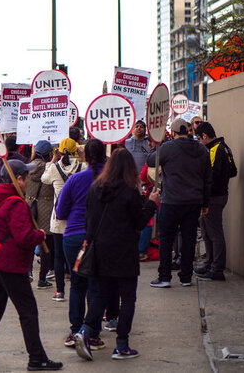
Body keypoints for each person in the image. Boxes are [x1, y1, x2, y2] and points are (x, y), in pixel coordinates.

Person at [0, 160, 63, 371]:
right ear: (18, 179)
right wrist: (39, 235)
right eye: (25, 176)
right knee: (28, 311)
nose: (27, 180)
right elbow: (24, 237)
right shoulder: (15, 203)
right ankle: (36, 358)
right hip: (11, 265)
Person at [72, 149, 159, 361]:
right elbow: (139, 222)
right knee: (128, 297)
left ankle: (84, 331)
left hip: (101, 250)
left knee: (101, 295)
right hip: (124, 251)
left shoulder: (94, 189)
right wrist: (151, 203)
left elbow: (89, 222)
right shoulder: (130, 192)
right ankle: (121, 345)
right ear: (129, 168)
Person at [147, 118, 212, 288]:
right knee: (189, 239)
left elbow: (150, 161)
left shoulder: (168, 148)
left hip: (171, 201)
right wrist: (205, 203)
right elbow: (207, 179)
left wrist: (158, 143)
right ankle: (186, 277)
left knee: (166, 239)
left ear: (174, 133)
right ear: (189, 131)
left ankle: (165, 277)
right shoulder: (201, 149)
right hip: (194, 201)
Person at [55, 138, 107, 349]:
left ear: (84, 156)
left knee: (77, 284)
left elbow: (60, 212)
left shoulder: (75, 180)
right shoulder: (112, 178)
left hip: (75, 238)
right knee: (96, 285)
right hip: (102, 238)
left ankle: (76, 330)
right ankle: (92, 333)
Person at [42, 137, 85, 301]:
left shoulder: (54, 168)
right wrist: (82, 155)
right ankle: (77, 286)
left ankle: (59, 291)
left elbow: (44, 179)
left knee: (59, 256)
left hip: (59, 218)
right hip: (77, 218)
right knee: (79, 256)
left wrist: (52, 160)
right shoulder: (83, 166)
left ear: (59, 151)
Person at [194, 122, 235, 281]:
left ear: (204, 136)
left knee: (215, 233)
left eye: (199, 138)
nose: (198, 142)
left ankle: (217, 268)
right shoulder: (224, 147)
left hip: (213, 197)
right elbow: (233, 171)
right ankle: (210, 263)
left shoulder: (215, 149)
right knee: (206, 230)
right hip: (217, 195)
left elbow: (212, 177)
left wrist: (207, 194)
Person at [26, 140, 55, 289]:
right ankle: (42, 278)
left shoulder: (27, 167)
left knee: (29, 243)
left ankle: (28, 272)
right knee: (46, 245)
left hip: (29, 206)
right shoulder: (50, 168)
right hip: (46, 209)